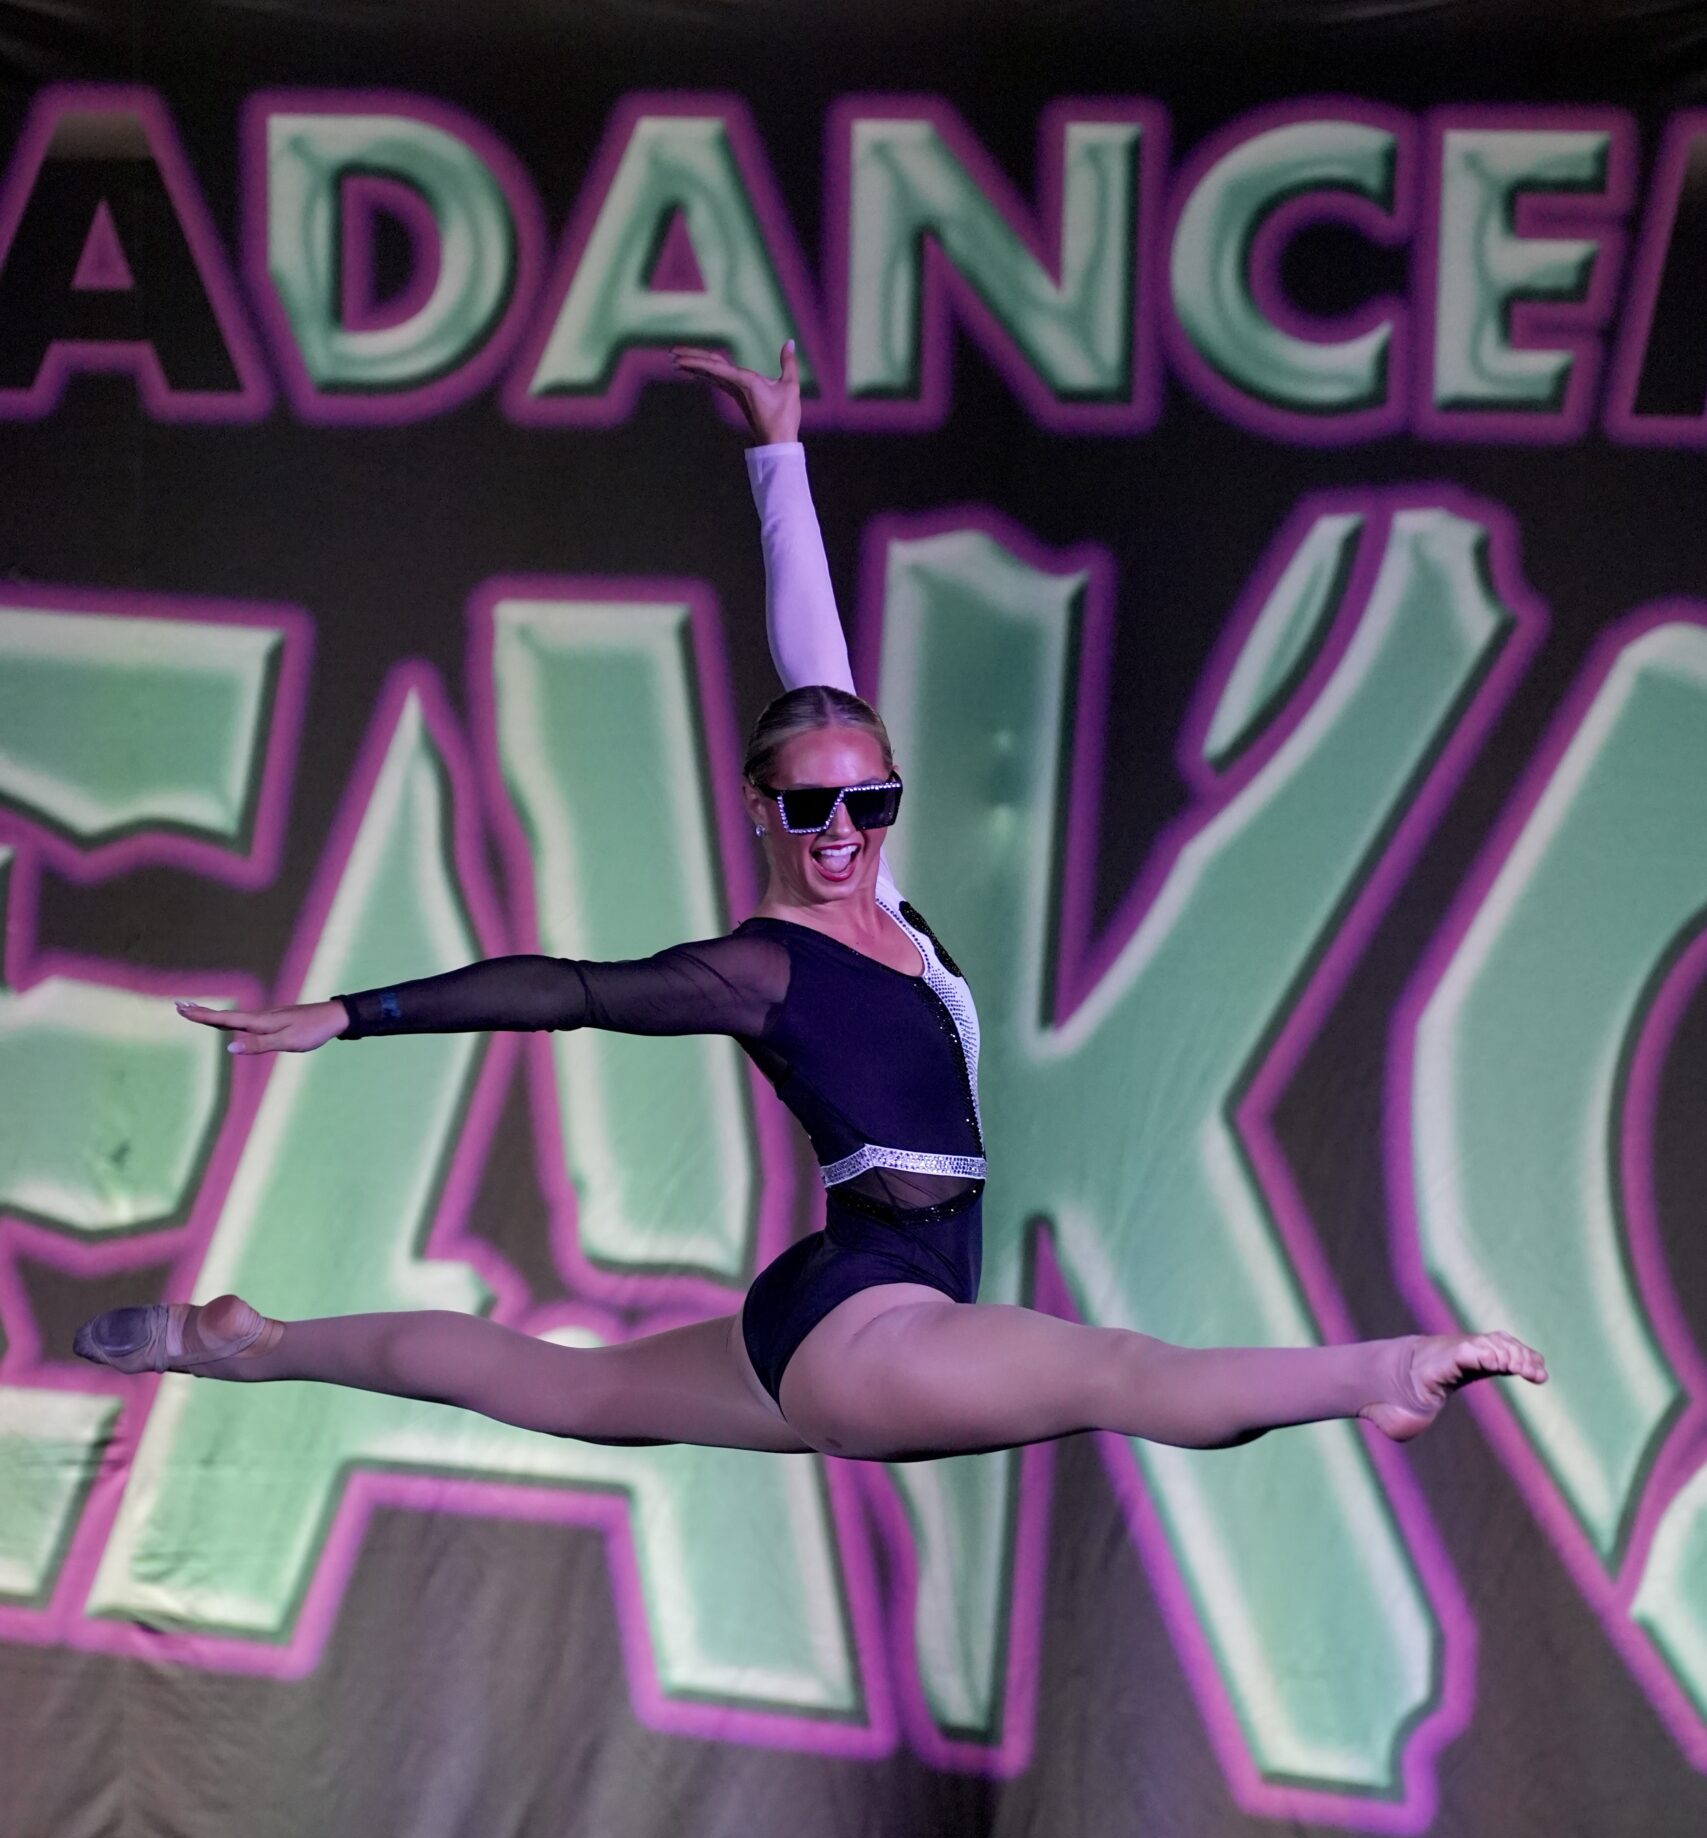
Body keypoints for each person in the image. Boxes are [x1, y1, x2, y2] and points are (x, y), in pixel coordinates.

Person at [74, 344, 1546, 1461]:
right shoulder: (757, 970)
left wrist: (779, 458)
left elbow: (815, 660)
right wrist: (350, 1013)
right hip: (871, 1329)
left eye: (871, 802)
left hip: (844, 1296)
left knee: (570, 1389)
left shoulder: (880, 896)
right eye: (811, 808)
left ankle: (248, 1342)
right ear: (758, 807)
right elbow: (568, 991)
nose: (843, 832)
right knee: (1114, 1373)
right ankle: (1384, 1373)